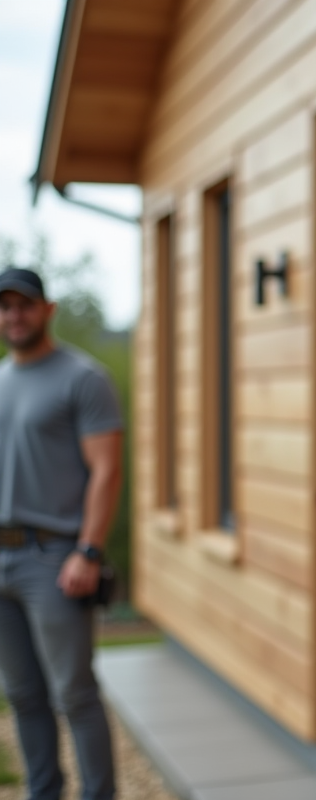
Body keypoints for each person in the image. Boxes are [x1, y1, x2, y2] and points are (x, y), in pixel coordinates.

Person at [0, 267, 122, 800]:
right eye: (4, 307)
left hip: (56, 560)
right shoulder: (1, 378)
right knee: (23, 695)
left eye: (23, 305)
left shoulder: (82, 377)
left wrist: (88, 551)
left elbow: (107, 470)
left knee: (74, 695)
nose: (13, 316)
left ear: (47, 310)